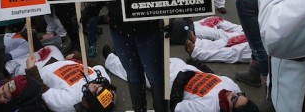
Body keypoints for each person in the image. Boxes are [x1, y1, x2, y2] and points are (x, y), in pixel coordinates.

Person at [103, 49, 259, 112]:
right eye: (240, 94)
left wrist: (179, 83)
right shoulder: (233, 88)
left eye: (235, 98)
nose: (234, 93)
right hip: (181, 66)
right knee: (152, 55)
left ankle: (110, 59)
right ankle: (126, 52)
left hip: (167, 80)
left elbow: (176, 107)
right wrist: (199, 65)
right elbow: (213, 76)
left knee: (133, 71)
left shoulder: (207, 109)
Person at [25, 52, 116, 112]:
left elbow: (44, 91)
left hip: (41, 69)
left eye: (95, 91)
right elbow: (96, 65)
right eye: (101, 86)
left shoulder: (69, 101)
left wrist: (31, 69)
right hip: (60, 60)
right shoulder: (103, 79)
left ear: (89, 101)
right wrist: (77, 56)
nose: (96, 85)